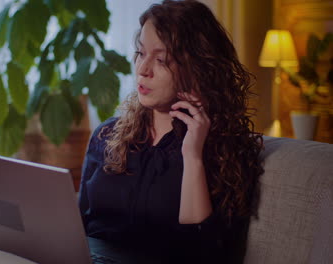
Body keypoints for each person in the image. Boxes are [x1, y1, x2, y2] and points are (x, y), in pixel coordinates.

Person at [78, 0, 264, 263]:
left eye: (162, 60)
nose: (143, 70)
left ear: (198, 69)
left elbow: (207, 254)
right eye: (141, 53)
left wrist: (193, 156)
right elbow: (80, 228)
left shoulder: (227, 152)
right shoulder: (106, 135)